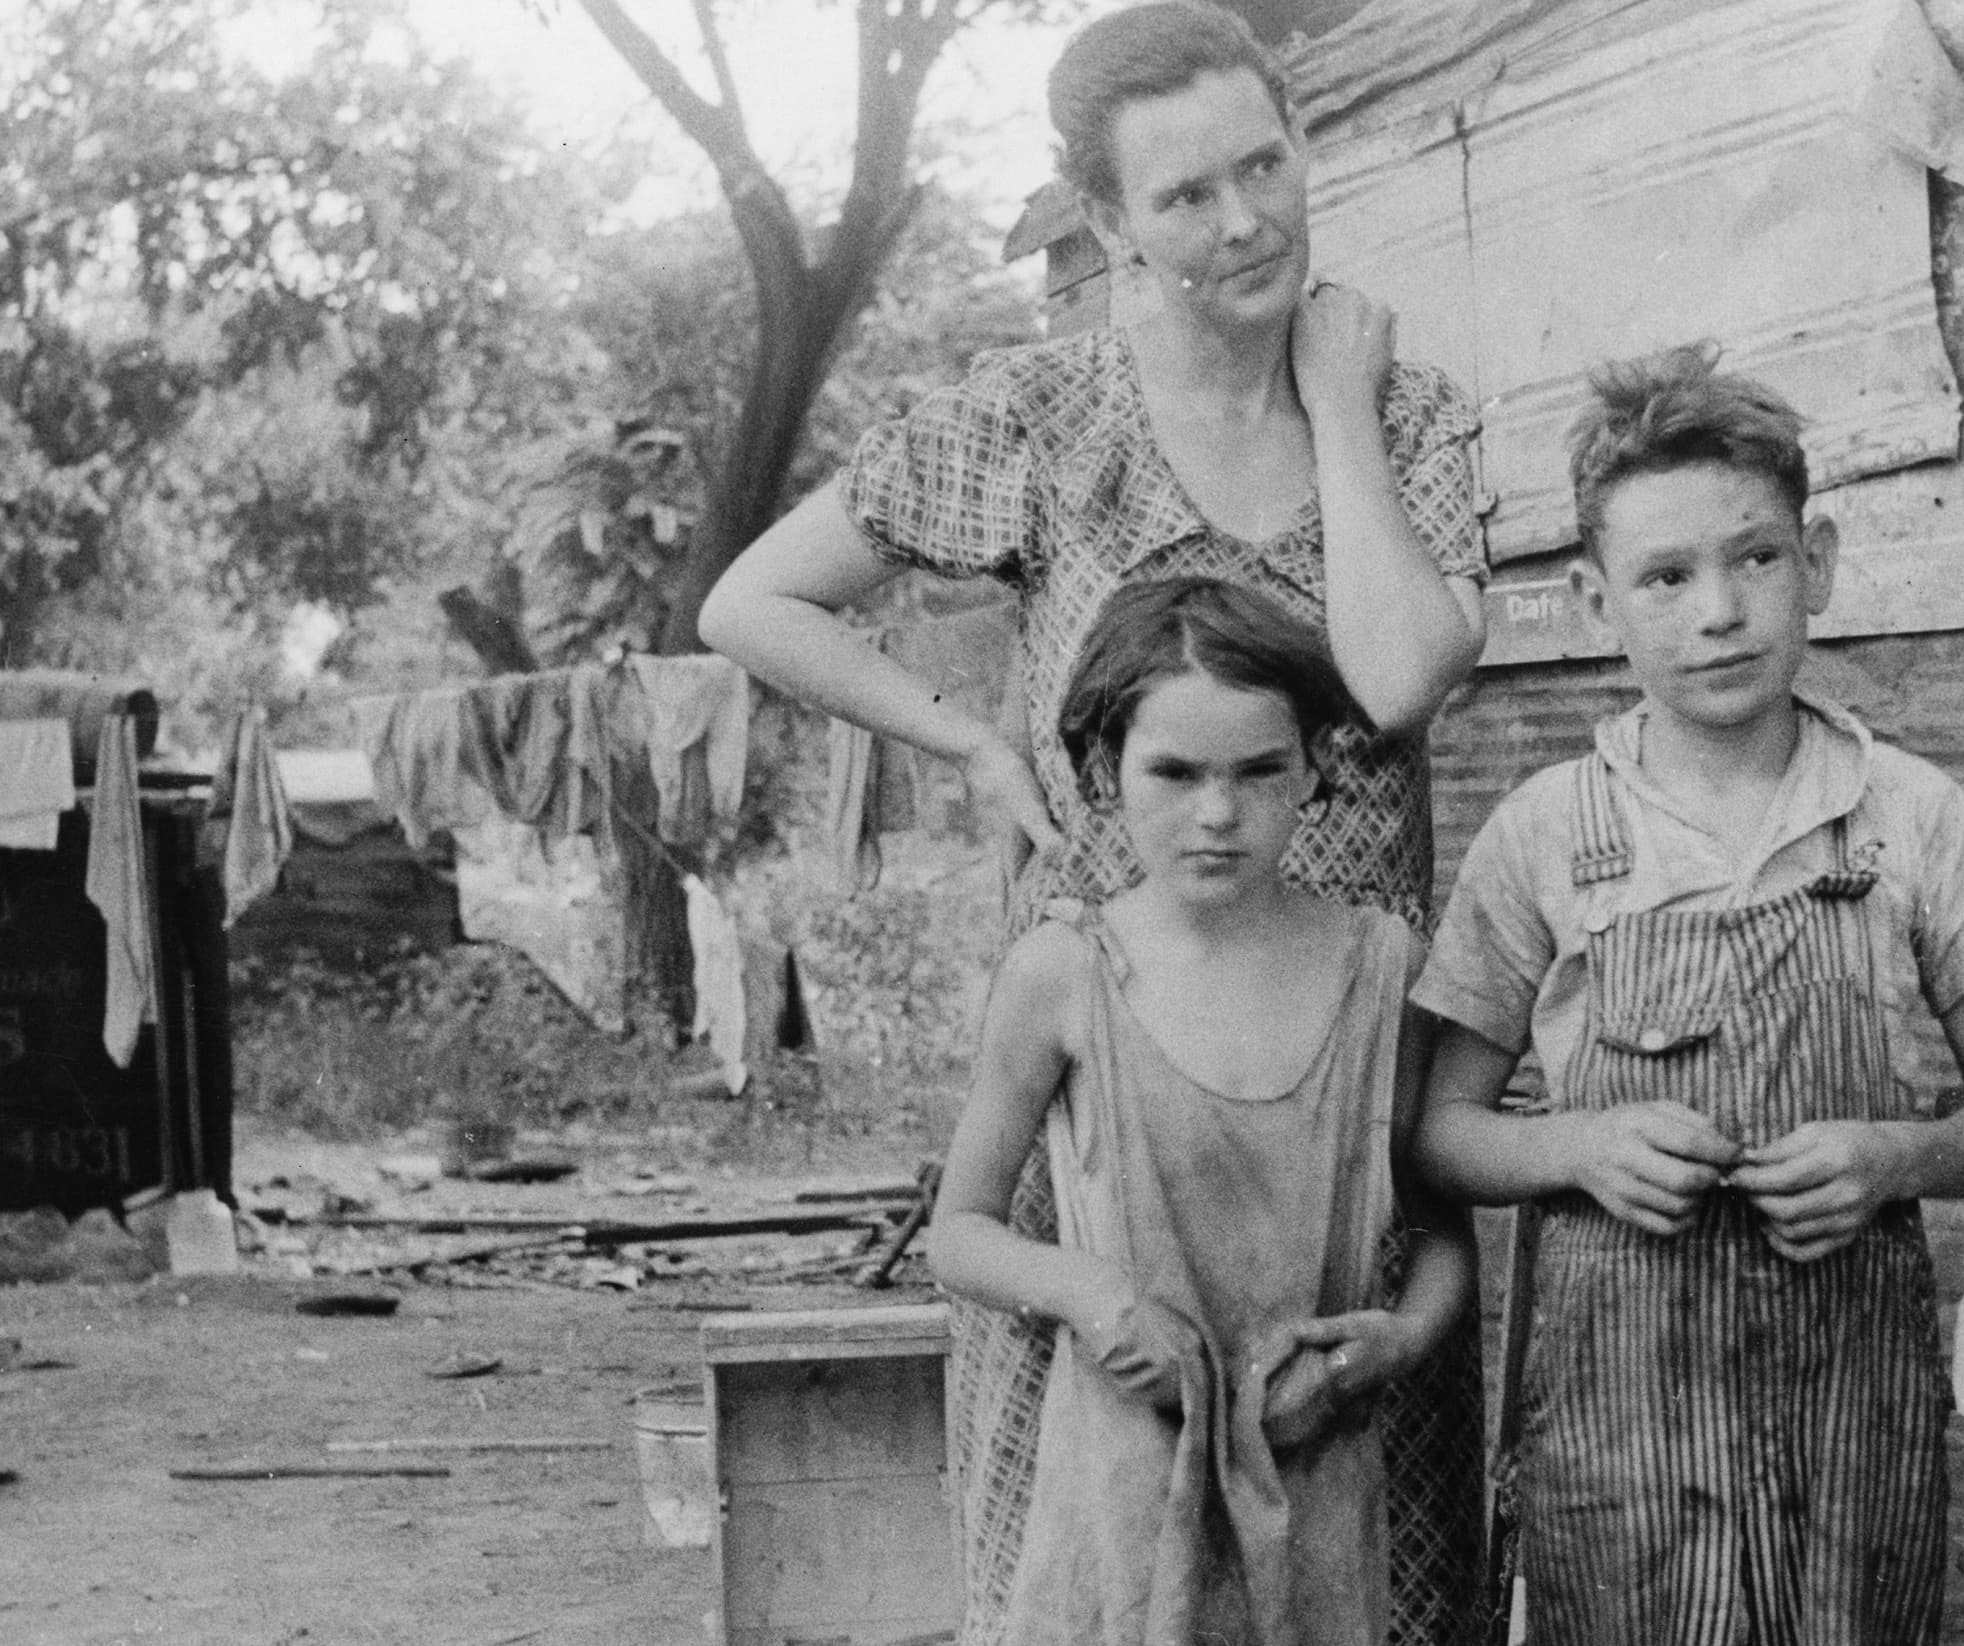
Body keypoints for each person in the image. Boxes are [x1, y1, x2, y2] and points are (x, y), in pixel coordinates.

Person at [694, 6, 1490, 1639]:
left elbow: (1399, 680)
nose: (1247, 219)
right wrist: (965, 738)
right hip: (1109, 1100)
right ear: (1111, 224)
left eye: (1267, 164)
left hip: (1335, 1092)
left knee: (1351, 1546)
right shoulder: (1039, 421)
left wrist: (1329, 396)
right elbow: (751, 601)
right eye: (1187, 197)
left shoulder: (1404, 416)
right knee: (1094, 1558)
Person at [1408, 344, 1964, 1646]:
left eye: (1754, 557)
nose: (1718, 609)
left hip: (1846, 1425)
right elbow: (1438, 1130)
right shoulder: (1546, 833)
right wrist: (1580, 1146)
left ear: (1813, 559)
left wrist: (1893, 1155)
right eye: (1665, 575)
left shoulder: (1908, 817)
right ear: (1598, 598)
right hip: (1621, 1438)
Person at [927, 576, 1473, 1646]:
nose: (1217, 814)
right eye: (1173, 773)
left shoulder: (1379, 967)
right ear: (1101, 770)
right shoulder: (1062, 971)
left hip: (1310, 1478)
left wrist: (1398, 1339)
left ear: (1313, 766)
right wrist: (1088, 1292)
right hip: (1120, 1495)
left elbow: (1439, 1222)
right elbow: (960, 1230)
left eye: (1259, 770)